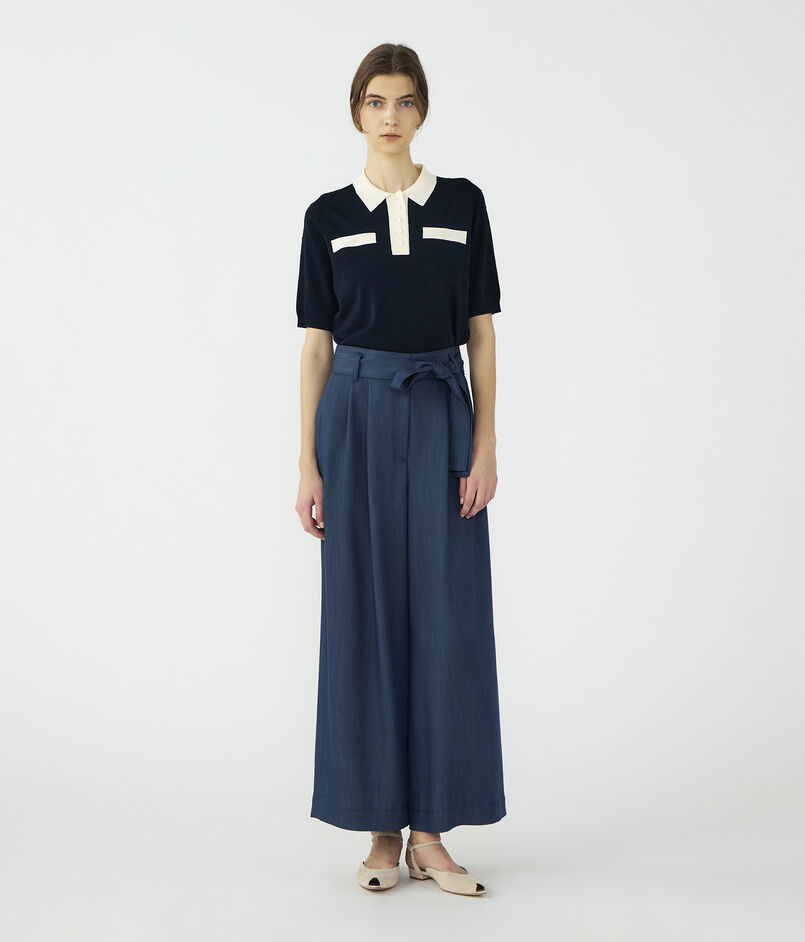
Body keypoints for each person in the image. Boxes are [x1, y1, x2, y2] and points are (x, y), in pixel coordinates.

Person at [295, 43, 506, 896]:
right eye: (376, 101)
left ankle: (432, 832)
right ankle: (380, 829)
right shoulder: (326, 216)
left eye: (405, 101)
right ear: (357, 111)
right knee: (365, 612)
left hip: (439, 407)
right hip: (352, 412)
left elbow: (481, 333)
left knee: (446, 617)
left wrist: (484, 444)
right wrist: (307, 460)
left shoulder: (461, 204)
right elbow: (316, 346)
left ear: (422, 111)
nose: (390, 116)